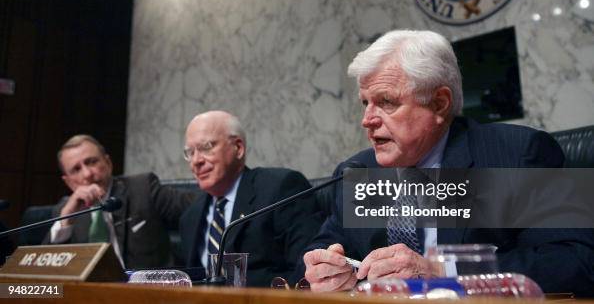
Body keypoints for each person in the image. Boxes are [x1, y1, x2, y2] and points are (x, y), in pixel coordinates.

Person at [302, 30, 594, 296]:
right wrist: (324, 270)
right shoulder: (358, 173)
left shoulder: (517, 154)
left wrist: (442, 273)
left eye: (387, 102)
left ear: (439, 103)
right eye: (365, 102)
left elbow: (575, 262)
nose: (367, 119)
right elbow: (322, 249)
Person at [179, 110, 322, 287]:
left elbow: (307, 273)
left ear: (238, 148)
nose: (196, 161)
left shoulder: (281, 189)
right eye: (189, 152)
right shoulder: (190, 216)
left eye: (206, 147)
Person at [47, 135, 195, 269]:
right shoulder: (65, 211)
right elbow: (43, 270)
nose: (87, 174)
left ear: (108, 162)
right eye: (76, 169)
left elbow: (197, 208)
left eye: (92, 162)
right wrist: (66, 221)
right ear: (68, 182)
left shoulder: (143, 188)